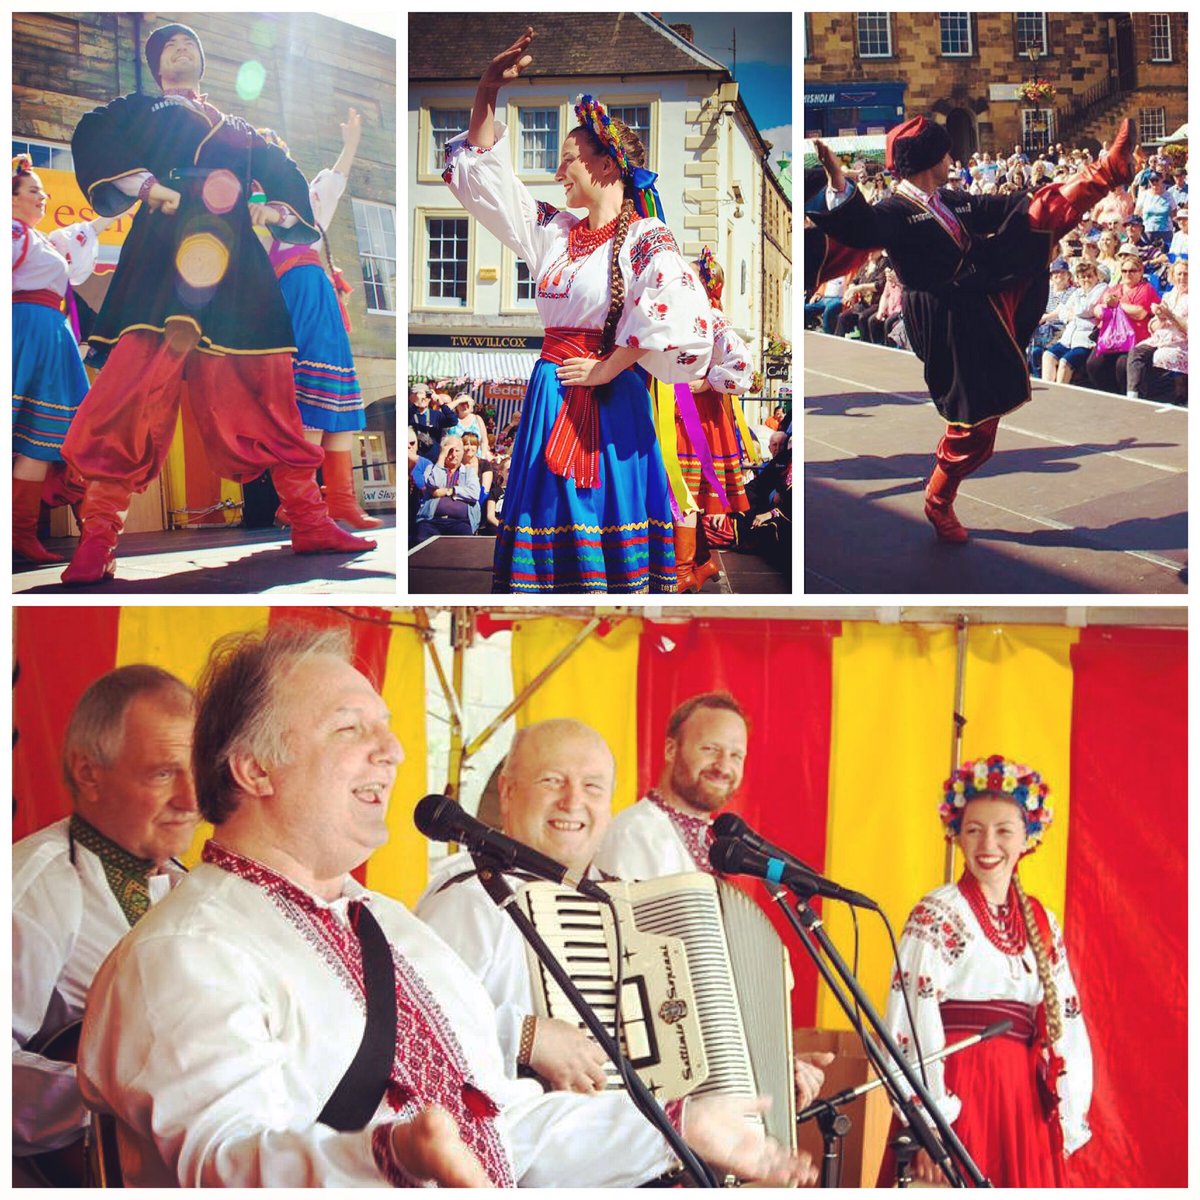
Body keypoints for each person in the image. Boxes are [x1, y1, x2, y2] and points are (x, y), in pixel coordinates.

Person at [75, 626, 805, 1187]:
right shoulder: (187, 951)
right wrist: (387, 1156)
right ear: (254, 767)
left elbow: (505, 1126)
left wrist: (677, 1127)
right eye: (349, 729)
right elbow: (223, 1164)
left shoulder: (390, 925)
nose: (392, 749)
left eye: (386, 726)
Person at [58, 23, 371, 584]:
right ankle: (100, 535)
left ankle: (308, 517)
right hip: (164, 248)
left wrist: (274, 212)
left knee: (265, 385)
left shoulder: (241, 129)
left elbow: (286, 177)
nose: (180, 50)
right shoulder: (141, 109)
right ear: (156, 68)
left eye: (190, 46)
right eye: (168, 48)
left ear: (202, 63)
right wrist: (146, 185)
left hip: (236, 262)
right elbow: (94, 132)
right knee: (132, 386)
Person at [418, 718, 832, 1116]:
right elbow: (413, 1032)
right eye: (552, 780)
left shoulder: (627, 904)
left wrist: (767, 1071)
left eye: (592, 787)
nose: (573, 800)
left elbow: (676, 1040)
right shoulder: (468, 899)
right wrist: (523, 1038)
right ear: (507, 792)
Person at [444, 28, 713, 594]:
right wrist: (488, 90)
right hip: (551, 393)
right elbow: (491, 182)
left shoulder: (644, 235)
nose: (559, 171)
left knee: (603, 519)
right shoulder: (553, 232)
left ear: (607, 165)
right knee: (547, 524)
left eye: (569, 160)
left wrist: (606, 369)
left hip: (610, 401)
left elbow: (672, 310)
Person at [808, 115, 1137, 542]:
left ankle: (1109, 169)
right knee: (972, 424)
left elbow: (1012, 204)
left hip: (976, 289)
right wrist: (837, 181)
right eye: (945, 153)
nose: (952, 158)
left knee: (1035, 214)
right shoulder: (892, 211)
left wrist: (1053, 193)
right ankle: (939, 499)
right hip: (942, 316)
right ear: (929, 160)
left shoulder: (950, 199)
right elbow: (858, 228)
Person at [13, 666, 196, 1182]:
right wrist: (120, 1096)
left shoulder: (194, 889)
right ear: (89, 774)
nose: (190, 799)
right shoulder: (33, 888)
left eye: (194, 769)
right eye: (163, 774)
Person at [881, 756, 1092, 1186]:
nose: (987, 844)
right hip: (960, 1093)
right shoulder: (936, 913)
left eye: (1003, 831)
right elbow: (910, 1021)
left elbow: (1067, 1022)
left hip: (1022, 1101)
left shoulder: (1042, 923)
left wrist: (1066, 1112)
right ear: (956, 835)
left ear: (1028, 838)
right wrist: (929, 1125)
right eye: (973, 830)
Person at [260, 108, 379, 531]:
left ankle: (343, 501)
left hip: (314, 296)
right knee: (307, 400)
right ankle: (299, 500)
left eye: (277, 152)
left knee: (337, 398)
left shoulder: (303, 197)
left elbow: (334, 183)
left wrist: (350, 145)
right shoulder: (248, 210)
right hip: (288, 300)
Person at [11, 155, 111, 564]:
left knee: (42, 438)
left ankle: (21, 533)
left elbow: (85, 232)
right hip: (24, 329)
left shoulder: (41, 240)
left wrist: (135, 197)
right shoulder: (12, 232)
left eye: (44, 191)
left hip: (50, 334)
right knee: (32, 436)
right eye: (34, 190)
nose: (43, 198)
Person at [668, 249, 755, 591]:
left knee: (683, 491)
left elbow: (742, 366)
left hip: (694, 415)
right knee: (677, 490)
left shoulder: (712, 318)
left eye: (688, 277)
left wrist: (706, 382)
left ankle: (682, 571)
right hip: (675, 409)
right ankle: (701, 564)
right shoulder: (681, 314)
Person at [1085, 248, 1157, 393]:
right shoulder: (1114, 289)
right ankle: (1110, 393)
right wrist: (1106, 306)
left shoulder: (1146, 289)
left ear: (1140, 272)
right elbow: (1097, 310)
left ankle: (1125, 396)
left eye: (1132, 271)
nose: (1127, 274)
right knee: (1093, 364)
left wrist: (1117, 305)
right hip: (1111, 337)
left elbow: (1140, 313)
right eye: (1124, 271)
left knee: (1122, 365)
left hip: (1134, 339)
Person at [1126, 257, 1187, 400]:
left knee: (1161, 356)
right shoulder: (1168, 296)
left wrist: (1171, 316)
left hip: (1182, 343)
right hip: (1160, 339)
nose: (1182, 277)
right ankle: (1133, 397)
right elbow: (1152, 326)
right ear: (1173, 276)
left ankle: (1179, 395)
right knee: (1136, 352)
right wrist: (1160, 317)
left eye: (1186, 274)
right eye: (1179, 274)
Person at [1039, 259, 1107, 384]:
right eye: (1082, 277)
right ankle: (1049, 394)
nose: (1086, 280)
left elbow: (1085, 309)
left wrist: (1075, 313)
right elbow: (1062, 312)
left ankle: (1059, 395)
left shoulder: (1101, 289)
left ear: (1096, 276)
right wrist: (1074, 314)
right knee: (1048, 356)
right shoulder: (1077, 292)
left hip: (1085, 341)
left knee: (1065, 362)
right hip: (1067, 339)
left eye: (1089, 276)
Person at [413, 433, 479, 540]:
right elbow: (435, 483)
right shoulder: (431, 468)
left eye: (457, 450)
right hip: (431, 520)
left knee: (465, 544)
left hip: (460, 522)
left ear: (462, 453)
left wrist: (450, 491)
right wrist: (441, 458)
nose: (453, 455)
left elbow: (474, 493)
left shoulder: (469, 472)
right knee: (421, 539)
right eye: (449, 451)